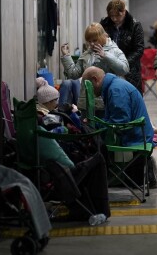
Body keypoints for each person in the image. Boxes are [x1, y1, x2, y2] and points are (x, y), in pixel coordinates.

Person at [33, 78, 110, 222]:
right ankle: (100, 209)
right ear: (48, 102)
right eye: (55, 101)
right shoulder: (47, 123)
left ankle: (97, 208)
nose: (57, 104)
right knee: (98, 158)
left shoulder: (36, 127)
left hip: (58, 169)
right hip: (65, 171)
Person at [59, 22, 129, 111]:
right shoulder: (86, 54)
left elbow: (124, 69)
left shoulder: (114, 51)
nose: (91, 44)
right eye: (89, 41)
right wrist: (66, 56)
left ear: (103, 37)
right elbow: (73, 74)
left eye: (95, 40)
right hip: (86, 104)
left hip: (107, 102)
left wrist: (106, 56)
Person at [99, 0, 145, 93]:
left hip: (129, 70)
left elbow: (139, 49)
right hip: (108, 67)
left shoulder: (135, 25)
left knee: (129, 97)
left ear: (124, 11)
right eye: (112, 16)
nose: (115, 19)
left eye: (117, 16)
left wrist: (124, 64)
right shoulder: (104, 23)